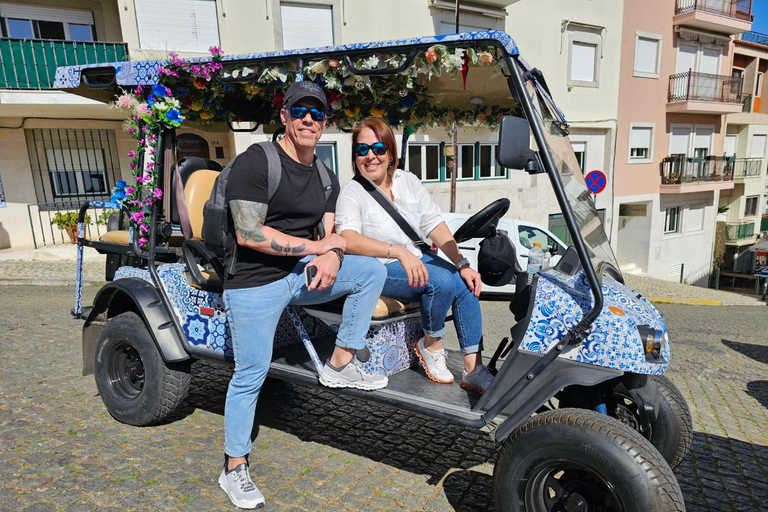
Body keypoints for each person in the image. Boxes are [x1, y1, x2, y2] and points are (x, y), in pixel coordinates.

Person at [219, 82, 388, 510]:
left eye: (316, 112)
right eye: (300, 111)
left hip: (298, 275)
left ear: (325, 121)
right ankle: (234, 466)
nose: (308, 119)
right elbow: (250, 233)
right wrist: (320, 249)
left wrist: (331, 251)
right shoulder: (257, 162)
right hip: (254, 281)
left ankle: (340, 362)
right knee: (250, 374)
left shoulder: (325, 176)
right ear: (285, 116)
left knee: (369, 269)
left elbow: (332, 233)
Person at [335, 117, 495, 394]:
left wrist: (463, 263)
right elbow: (348, 239)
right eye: (362, 150)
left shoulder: (407, 181)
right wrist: (396, 252)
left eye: (378, 148)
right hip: (379, 267)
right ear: (354, 156)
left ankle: (473, 369)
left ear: (390, 153)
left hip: (412, 257)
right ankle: (431, 344)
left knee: (465, 283)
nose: (370, 156)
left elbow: (433, 224)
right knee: (441, 281)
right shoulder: (352, 193)